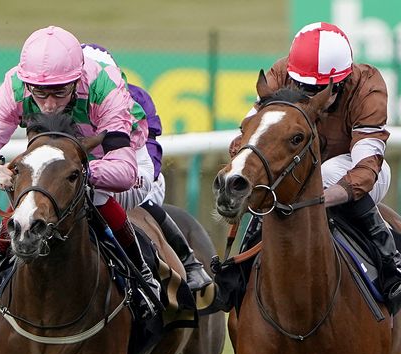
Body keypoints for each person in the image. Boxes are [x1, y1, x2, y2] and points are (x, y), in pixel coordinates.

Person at [0, 25, 161, 316]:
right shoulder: (15, 86)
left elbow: (124, 171)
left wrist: (72, 174)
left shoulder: (103, 85)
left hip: (122, 157)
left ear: (77, 81)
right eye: (40, 94)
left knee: (96, 197)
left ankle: (143, 278)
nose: (50, 106)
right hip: (59, 158)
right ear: (27, 84)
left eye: (59, 93)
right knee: (31, 197)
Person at [228, 22, 401, 311]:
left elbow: (366, 167)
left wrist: (319, 198)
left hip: (354, 169)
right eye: (302, 87)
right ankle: (238, 268)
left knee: (322, 173)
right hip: (298, 169)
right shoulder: (281, 74)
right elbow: (246, 137)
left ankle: (389, 266)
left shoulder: (367, 87)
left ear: (342, 82)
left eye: (318, 89)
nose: (309, 96)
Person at [81, 43, 214, 293]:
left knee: (143, 205)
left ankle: (189, 260)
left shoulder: (134, 97)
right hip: (84, 178)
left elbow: (150, 148)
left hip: (134, 176)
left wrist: (136, 177)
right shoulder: (60, 99)